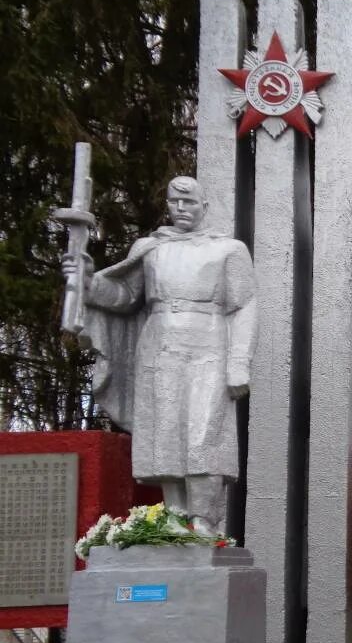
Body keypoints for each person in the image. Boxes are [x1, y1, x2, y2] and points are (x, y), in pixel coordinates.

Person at [63, 175, 258, 534]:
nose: (182, 209)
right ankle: (175, 517)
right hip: (159, 344)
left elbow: (243, 306)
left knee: (203, 432)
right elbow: (124, 297)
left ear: (205, 207)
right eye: (174, 202)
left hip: (208, 344)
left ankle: (204, 519)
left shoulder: (229, 250)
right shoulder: (151, 248)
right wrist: (89, 283)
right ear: (167, 206)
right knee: (165, 431)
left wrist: (239, 363)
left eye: (190, 202)